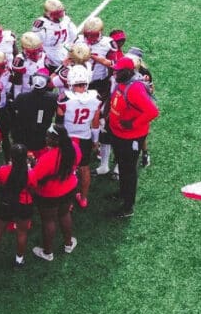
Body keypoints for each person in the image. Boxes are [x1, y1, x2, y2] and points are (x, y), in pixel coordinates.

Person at [107, 57, 160, 217]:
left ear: (128, 72)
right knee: (123, 166)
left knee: (129, 170)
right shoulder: (124, 82)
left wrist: (133, 124)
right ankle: (123, 194)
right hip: (119, 134)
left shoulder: (135, 88)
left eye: (118, 71)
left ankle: (127, 207)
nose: (114, 73)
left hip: (130, 137)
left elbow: (152, 111)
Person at [28, 124, 79, 261]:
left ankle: (48, 252)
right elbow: (76, 162)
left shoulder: (48, 158)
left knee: (48, 221)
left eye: (48, 137)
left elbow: (34, 178)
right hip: (69, 188)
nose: (46, 139)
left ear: (55, 141)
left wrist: (32, 164)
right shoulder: (74, 147)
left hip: (49, 194)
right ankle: (68, 244)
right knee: (64, 213)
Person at [56, 65, 103, 209]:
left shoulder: (64, 98)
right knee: (84, 168)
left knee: (66, 169)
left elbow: (59, 122)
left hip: (68, 137)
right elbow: (95, 122)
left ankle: (67, 202)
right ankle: (83, 199)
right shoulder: (95, 97)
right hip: (84, 137)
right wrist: (95, 140)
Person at [0, 144, 34, 267]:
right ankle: (19, 259)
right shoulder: (31, 173)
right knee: (22, 233)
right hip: (23, 204)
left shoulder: (3, 170)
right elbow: (33, 189)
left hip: (6, 203)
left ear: (11, 156)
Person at [10, 71, 57, 156]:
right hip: (42, 135)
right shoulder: (53, 98)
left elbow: (12, 109)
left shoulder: (22, 97)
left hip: (23, 135)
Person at [31, 0, 78, 72]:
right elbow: (74, 35)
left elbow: (35, 43)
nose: (61, 14)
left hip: (53, 57)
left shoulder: (42, 24)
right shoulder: (65, 20)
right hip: (61, 55)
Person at [10, 32, 48, 99]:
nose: (37, 54)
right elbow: (17, 83)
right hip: (26, 93)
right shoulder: (20, 60)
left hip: (41, 90)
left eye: (38, 50)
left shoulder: (43, 54)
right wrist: (17, 98)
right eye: (33, 52)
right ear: (23, 48)